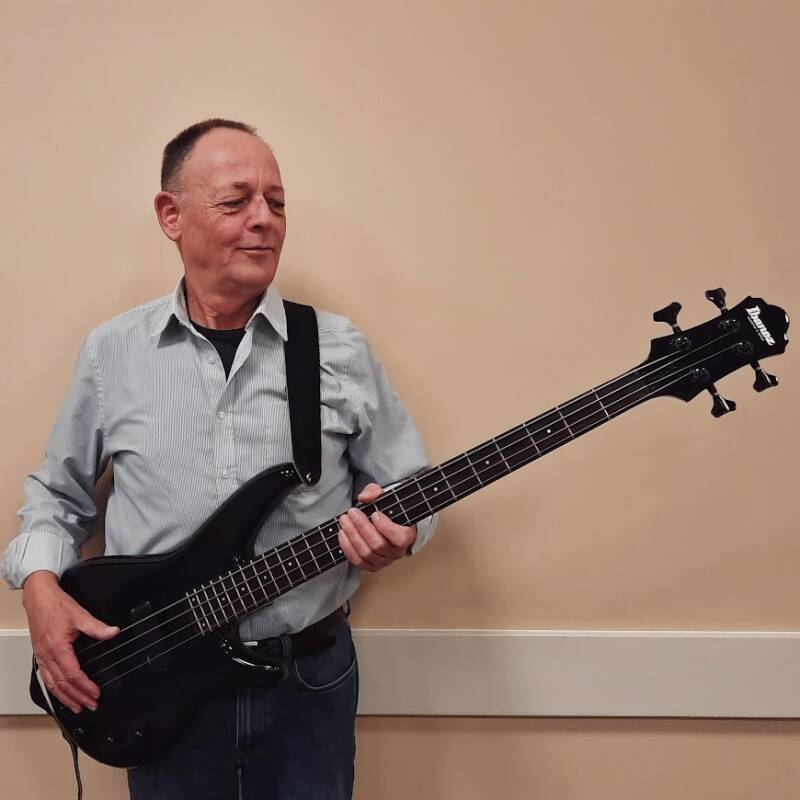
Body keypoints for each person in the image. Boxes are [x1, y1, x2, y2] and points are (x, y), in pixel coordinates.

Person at [2, 118, 437, 799]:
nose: (264, 220)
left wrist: (401, 532)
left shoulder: (337, 348)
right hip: (156, 682)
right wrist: (39, 589)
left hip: (306, 682)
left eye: (277, 202)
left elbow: (412, 487)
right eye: (237, 202)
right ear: (170, 215)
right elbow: (57, 498)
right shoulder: (113, 353)